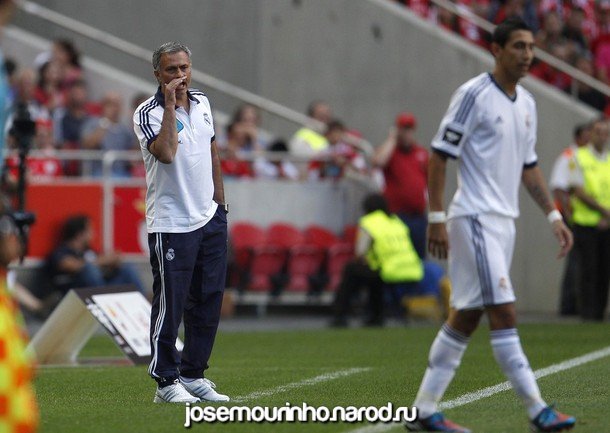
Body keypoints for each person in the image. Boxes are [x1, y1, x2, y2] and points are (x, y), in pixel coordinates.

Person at [405, 18, 576, 433]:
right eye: (518, 46)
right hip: (475, 218)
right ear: (496, 50)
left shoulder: (528, 103)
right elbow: (439, 155)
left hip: (504, 223)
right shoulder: (474, 95)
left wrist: (553, 215)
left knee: (466, 316)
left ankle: (424, 410)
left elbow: (529, 166)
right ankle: (537, 409)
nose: (527, 54)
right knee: (504, 310)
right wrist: (436, 217)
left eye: (531, 47)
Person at [133, 42, 229, 404]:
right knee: (170, 303)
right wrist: (171, 106)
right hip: (172, 222)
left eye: (184, 68)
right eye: (171, 69)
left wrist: (221, 206)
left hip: (209, 217)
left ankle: (193, 373)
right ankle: (165, 381)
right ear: (157, 74)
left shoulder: (203, 102)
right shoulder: (147, 112)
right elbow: (167, 153)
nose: (180, 75)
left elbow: (212, 151)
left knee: (208, 300)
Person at [331, 193, 423, 327]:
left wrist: (364, 260)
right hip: (413, 270)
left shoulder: (369, 222)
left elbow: (360, 252)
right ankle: (375, 315)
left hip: (390, 270)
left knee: (352, 269)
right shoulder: (396, 221)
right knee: (372, 273)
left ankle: (340, 315)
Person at [568, 117, 610, 321]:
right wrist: (604, 211)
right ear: (591, 134)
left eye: (606, 133)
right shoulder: (578, 156)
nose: (602, 137)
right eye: (598, 132)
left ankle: (599, 313)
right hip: (585, 222)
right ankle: (587, 314)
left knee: (604, 271)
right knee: (587, 270)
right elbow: (577, 189)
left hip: (607, 224)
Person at [373, 112, 428, 259]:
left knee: (419, 257)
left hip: (418, 216)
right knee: (398, 257)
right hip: (397, 216)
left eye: (409, 129)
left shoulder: (420, 153)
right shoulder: (391, 151)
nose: (407, 133)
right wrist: (392, 139)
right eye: (403, 129)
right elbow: (378, 162)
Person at [549, 122, 591, 316]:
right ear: (578, 137)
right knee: (575, 259)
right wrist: (567, 214)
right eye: (587, 135)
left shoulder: (587, 157)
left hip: (583, 216)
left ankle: (578, 303)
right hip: (572, 216)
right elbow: (558, 187)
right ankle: (569, 305)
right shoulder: (570, 156)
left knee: (582, 260)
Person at [46, 214, 144, 296]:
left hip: (101, 288)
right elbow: (73, 266)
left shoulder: (89, 251)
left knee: (127, 269)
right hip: (76, 293)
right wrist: (102, 261)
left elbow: (101, 265)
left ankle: (144, 304)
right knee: (89, 270)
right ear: (80, 234)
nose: (93, 234)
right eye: (90, 230)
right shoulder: (61, 252)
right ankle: (103, 303)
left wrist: (113, 262)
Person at [82, 91, 136, 177]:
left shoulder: (125, 129)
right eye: (110, 104)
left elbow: (133, 152)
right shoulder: (92, 123)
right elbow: (88, 145)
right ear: (103, 106)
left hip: (121, 173)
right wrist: (105, 122)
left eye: (117, 105)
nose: (114, 108)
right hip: (98, 172)